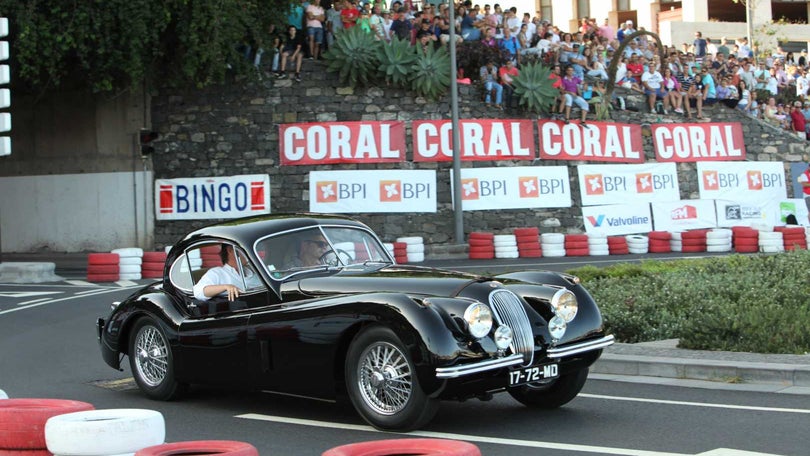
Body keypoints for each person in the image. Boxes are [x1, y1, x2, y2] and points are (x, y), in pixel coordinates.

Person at [193, 245, 262, 301]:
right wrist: (226, 287)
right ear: (230, 250)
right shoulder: (217, 272)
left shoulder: (253, 270)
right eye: (243, 249)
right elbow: (199, 292)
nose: (247, 252)